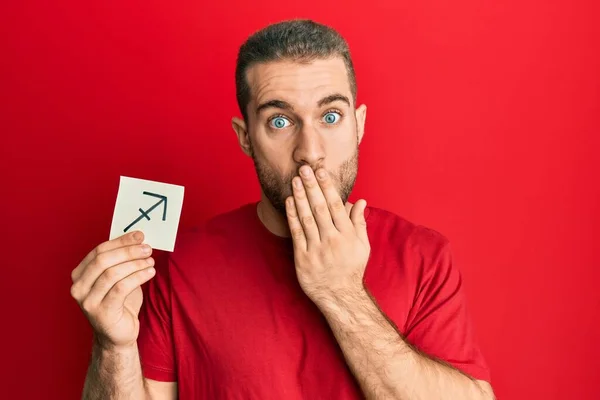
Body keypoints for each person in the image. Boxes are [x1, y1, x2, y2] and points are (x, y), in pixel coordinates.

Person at [70, 19, 495, 400]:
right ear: (245, 136)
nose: (310, 153)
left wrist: (341, 292)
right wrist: (115, 347)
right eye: (280, 121)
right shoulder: (180, 268)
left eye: (330, 117)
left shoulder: (423, 256)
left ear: (359, 124)